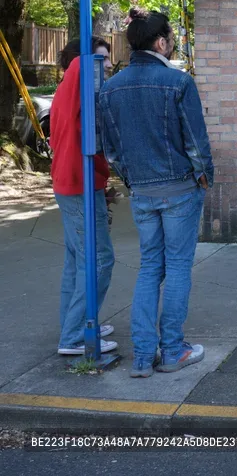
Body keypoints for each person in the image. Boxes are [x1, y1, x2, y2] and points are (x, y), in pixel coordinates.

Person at [99, 9, 213, 378]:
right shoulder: (178, 82)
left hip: (144, 190)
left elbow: (112, 150)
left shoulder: (111, 88)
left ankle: (144, 356)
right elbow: (196, 143)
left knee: (150, 268)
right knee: (178, 268)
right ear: (161, 42)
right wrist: (204, 178)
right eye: (171, 37)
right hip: (180, 187)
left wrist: (133, 179)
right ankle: (173, 349)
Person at [50, 37, 118, 356]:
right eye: (102, 60)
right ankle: (75, 335)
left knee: (77, 260)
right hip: (78, 185)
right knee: (99, 258)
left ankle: (77, 322)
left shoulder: (69, 91)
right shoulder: (79, 70)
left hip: (73, 182)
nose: (108, 65)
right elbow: (82, 64)